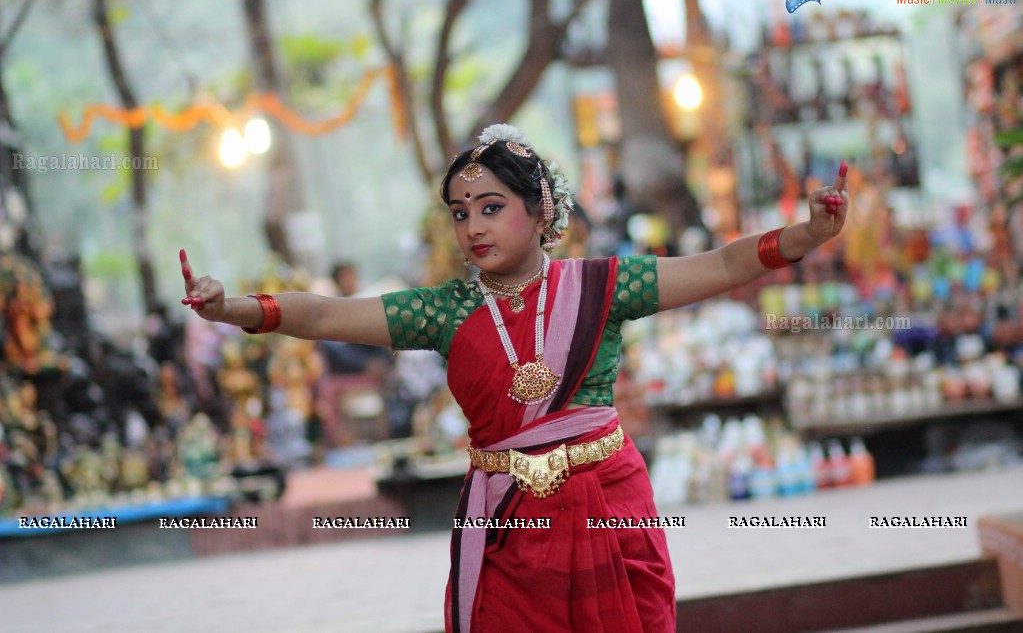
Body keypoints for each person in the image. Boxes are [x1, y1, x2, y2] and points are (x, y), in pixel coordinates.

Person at [178, 123, 849, 632]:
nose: (472, 226)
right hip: (504, 524)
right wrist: (232, 308)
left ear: (538, 210)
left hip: (606, 507)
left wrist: (807, 234)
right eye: (460, 212)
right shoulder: (445, 311)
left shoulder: (600, 287)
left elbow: (724, 266)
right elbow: (324, 312)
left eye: (491, 207)